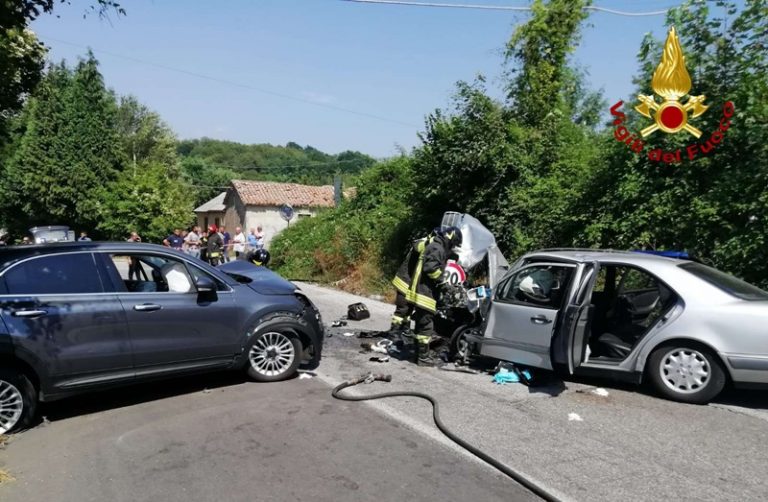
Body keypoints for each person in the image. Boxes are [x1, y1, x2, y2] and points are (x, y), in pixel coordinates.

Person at [391, 226, 463, 366]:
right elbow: (431, 269)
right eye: (453, 244)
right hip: (425, 293)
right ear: (450, 239)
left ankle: (418, 353)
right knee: (425, 326)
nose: (453, 247)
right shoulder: (437, 248)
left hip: (422, 292)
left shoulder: (436, 246)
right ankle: (422, 357)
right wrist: (443, 283)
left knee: (421, 324)